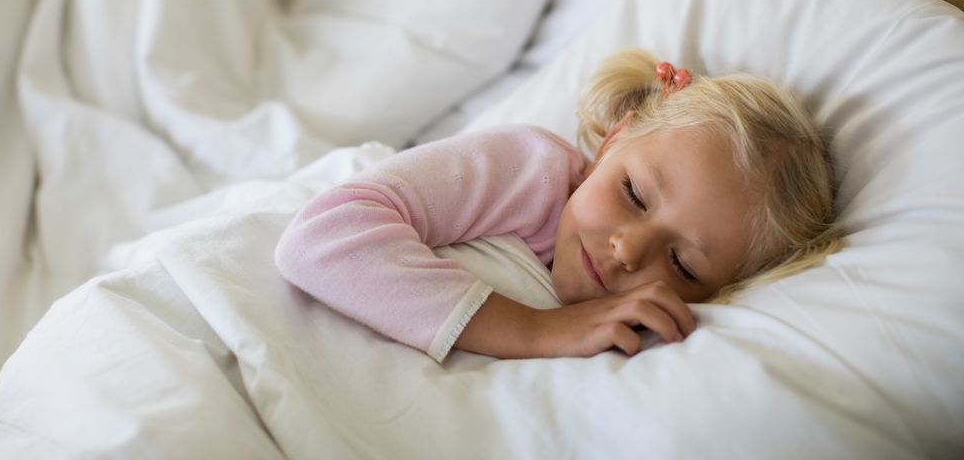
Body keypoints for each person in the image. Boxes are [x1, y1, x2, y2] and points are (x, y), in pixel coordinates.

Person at [275, 48, 838, 362]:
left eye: (683, 265)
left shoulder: (650, 337)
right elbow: (323, 236)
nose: (628, 249)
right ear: (615, 139)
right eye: (634, 194)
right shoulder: (531, 170)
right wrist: (536, 331)